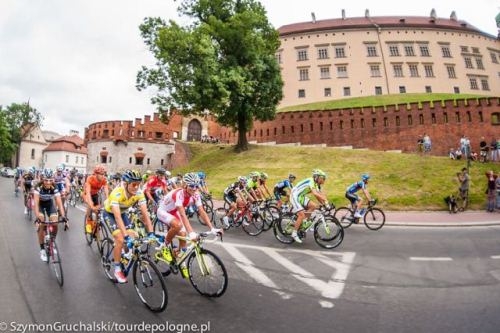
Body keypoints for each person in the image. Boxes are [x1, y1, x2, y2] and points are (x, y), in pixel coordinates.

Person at [156, 173, 221, 277]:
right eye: (191, 185)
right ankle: (165, 245)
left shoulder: (196, 194)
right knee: (177, 226)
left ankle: (180, 258)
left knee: (183, 234)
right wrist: (191, 233)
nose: (194, 188)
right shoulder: (179, 194)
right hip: (163, 211)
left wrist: (212, 228)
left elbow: (202, 212)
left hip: (174, 212)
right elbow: (182, 215)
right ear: (185, 185)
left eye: (196, 185)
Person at [102, 169, 156, 283]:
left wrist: (151, 233)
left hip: (122, 213)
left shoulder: (139, 193)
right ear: (126, 184)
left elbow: (145, 214)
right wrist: (125, 237)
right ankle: (117, 269)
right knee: (121, 239)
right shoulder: (117, 193)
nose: (136, 187)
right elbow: (117, 217)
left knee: (134, 236)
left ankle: (125, 255)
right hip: (110, 214)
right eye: (134, 184)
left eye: (138, 184)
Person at [33, 169, 68, 262]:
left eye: (50, 180)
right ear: (42, 179)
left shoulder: (54, 186)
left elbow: (59, 202)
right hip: (40, 204)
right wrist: (37, 217)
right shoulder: (38, 187)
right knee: (42, 222)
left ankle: (52, 242)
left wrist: (64, 216)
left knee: (55, 223)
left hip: (49, 204)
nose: (48, 182)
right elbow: (36, 203)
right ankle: (42, 250)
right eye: (46, 180)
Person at [289, 169, 328, 244]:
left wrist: (325, 204)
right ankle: (294, 233)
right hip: (295, 195)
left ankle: (304, 223)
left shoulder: (316, 185)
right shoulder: (311, 181)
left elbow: (318, 196)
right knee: (301, 215)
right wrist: (325, 200)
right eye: (323, 178)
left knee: (313, 206)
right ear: (317, 177)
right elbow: (315, 193)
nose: (324, 180)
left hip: (301, 196)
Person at [83, 164, 109, 233]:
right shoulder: (90, 179)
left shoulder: (104, 180)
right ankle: (88, 221)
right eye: (101, 174)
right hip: (86, 194)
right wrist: (91, 204)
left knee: (98, 210)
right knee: (90, 205)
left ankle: (96, 225)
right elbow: (88, 192)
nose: (103, 176)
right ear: (96, 174)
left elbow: (106, 191)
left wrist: (108, 200)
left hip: (95, 194)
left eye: (104, 174)